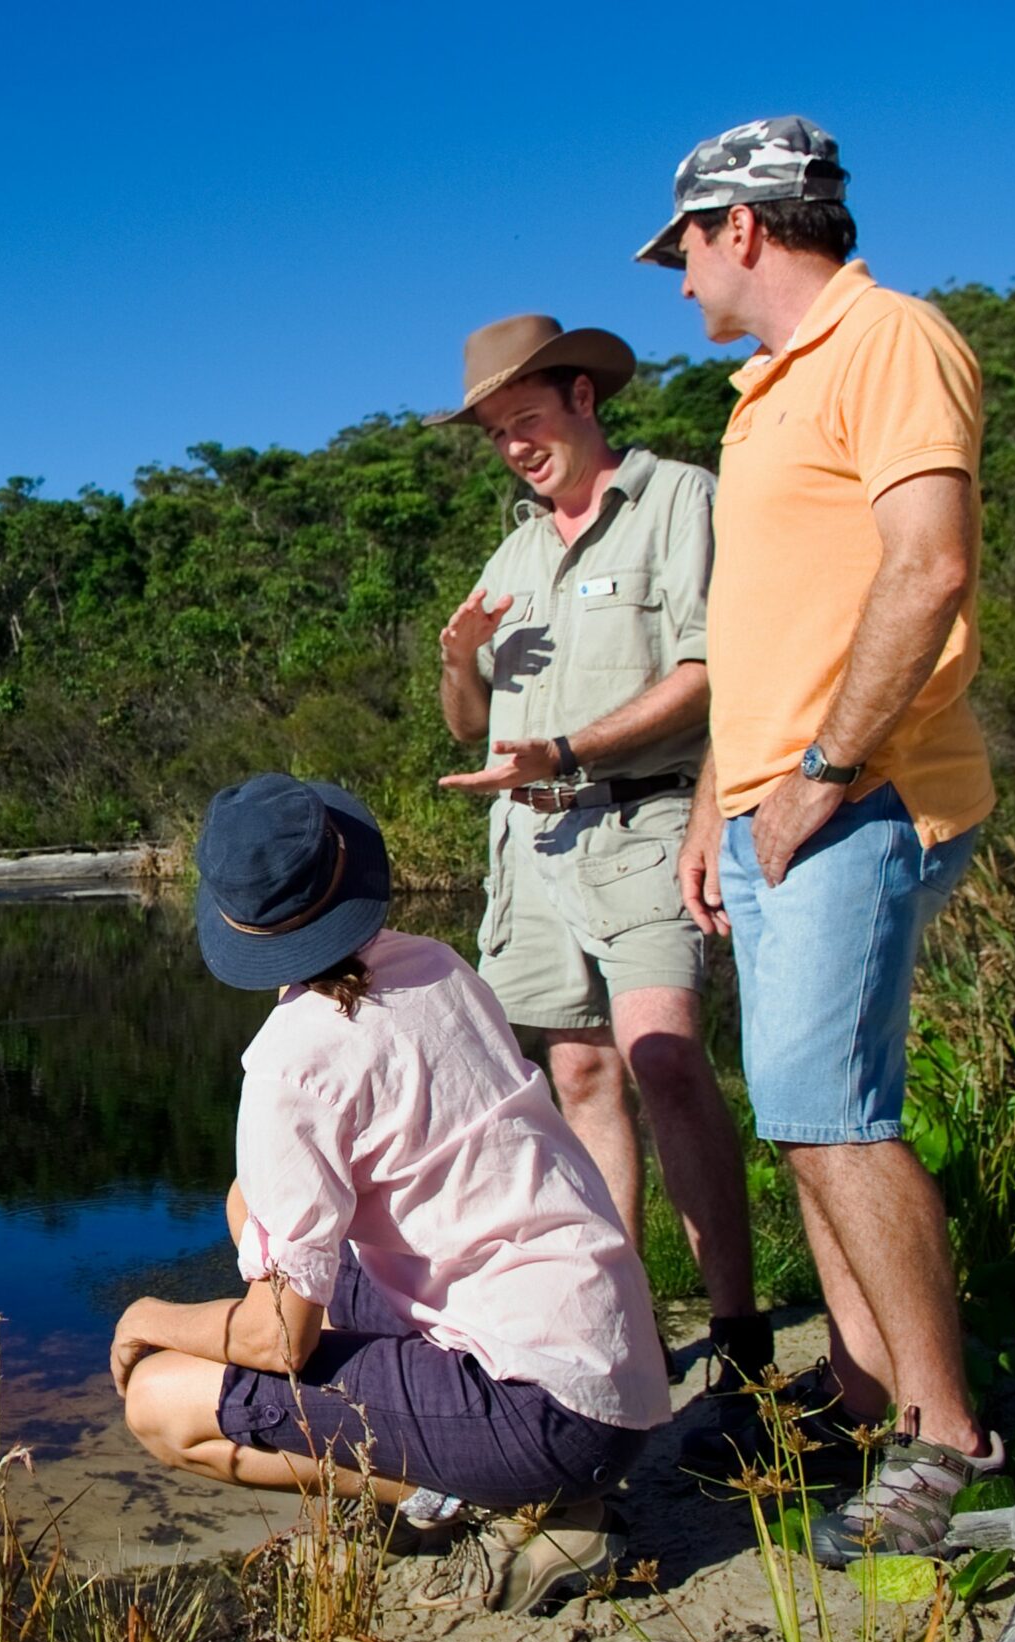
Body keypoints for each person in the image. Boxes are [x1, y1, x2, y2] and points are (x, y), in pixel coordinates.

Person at [640, 115, 1005, 1561]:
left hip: (859, 799)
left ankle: (948, 1440)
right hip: (771, 807)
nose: (676, 282)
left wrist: (820, 775)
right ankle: (861, 1399)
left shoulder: (891, 340)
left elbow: (930, 570)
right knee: (805, 1116)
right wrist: (715, 800)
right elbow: (764, 626)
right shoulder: (758, 392)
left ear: (744, 226)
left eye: (682, 249)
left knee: (833, 1116)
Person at [110, 772, 671, 1613]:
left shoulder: (289, 1063)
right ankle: (458, 1471)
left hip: (552, 1418)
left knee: (160, 1398)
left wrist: (145, 1316)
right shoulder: (432, 966)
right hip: (614, 1363)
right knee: (250, 1207)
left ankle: (462, 1490)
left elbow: (281, 1340)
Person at [426, 314, 767, 1410]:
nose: (512, 446)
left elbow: (714, 669)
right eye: (493, 433)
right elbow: (465, 723)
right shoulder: (515, 550)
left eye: (523, 420)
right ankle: (619, 1326)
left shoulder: (679, 500)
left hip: (646, 819)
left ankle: (739, 1332)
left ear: (582, 396)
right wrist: (457, 660)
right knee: (576, 1074)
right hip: (529, 845)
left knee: (664, 1058)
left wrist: (570, 748)